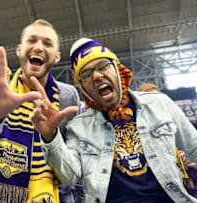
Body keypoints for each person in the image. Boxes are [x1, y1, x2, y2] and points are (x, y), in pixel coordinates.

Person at [29, 37, 197, 202]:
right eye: (86, 74)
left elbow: (194, 149)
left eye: (102, 66)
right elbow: (70, 176)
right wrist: (50, 135)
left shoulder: (160, 103)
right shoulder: (78, 127)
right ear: (83, 89)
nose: (96, 76)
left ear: (117, 69)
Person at [0, 19, 83, 202]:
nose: (38, 47)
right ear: (19, 50)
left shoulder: (67, 97)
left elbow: (71, 176)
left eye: (47, 43)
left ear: (57, 56)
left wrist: (51, 138)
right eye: (32, 40)